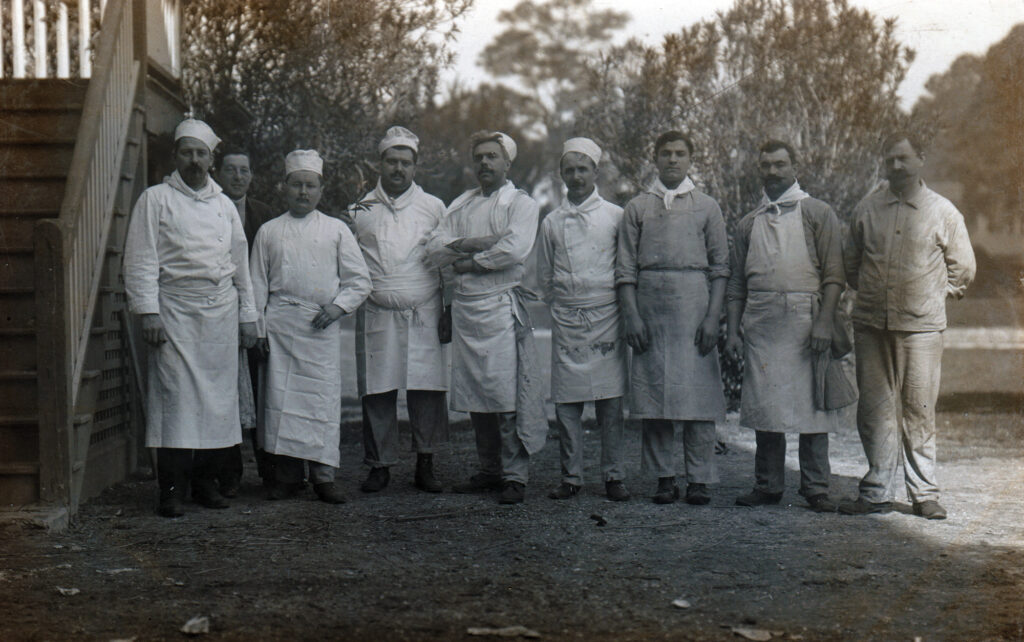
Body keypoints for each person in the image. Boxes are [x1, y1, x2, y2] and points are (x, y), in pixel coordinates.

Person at [123, 118, 258, 518]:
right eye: (187, 153)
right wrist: (149, 312)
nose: (194, 161)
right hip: (175, 311)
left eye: (201, 154)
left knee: (217, 404)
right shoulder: (155, 200)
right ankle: (170, 490)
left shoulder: (223, 206)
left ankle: (206, 485)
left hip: (219, 312)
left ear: (211, 159)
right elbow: (141, 260)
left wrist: (248, 316)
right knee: (176, 402)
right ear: (176, 156)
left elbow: (240, 265)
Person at [839, 132, 975, 520]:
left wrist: (937, 295)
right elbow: (851, 263)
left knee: (918, 408)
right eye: (890, 159)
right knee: (875, 409)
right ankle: (877, 490)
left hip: (921, 329)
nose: (896, 166)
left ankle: (924, 493)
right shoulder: (867, 208)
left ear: (921, 159)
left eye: (904, 158)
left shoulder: (943, 211)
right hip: (871, 324)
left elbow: (963, 267)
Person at [424, 130, 546, 505]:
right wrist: (474, 243)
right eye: (479, 157)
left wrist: (466, 262)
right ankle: (489, 470)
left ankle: (514, 475)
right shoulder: (459, 205)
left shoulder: (521, 204)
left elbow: (513, 249)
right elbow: (432, 247)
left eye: (492, 157)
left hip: (500, 308)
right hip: (466, 310)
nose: (485, 164)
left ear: (507, 163)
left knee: (505, 395)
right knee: (478, 396)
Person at [725, 140, 845, 513]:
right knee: (767, 406)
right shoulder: (749, 222)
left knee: (814, 406)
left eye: (780, 164)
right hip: (762, 323)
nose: (773, 172)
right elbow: (735, 285)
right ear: (759, 170)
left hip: (808, 321)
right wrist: (732, 331)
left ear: (795, 166)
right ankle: (768, 485)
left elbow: (834, 275)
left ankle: (816, 487)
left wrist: (824, 321)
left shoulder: (817, 213)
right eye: (766, 166)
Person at [250, 150, 372, 504]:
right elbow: (257, 285)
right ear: (284, 187)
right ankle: (287, 477)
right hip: (280, 326)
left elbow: (359, 281)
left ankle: (322, 477)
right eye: (297, 185)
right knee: (281, 402)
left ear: (320, 189)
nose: (303, 192)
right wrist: (259, 329)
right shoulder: (269, 231)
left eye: (310, 186)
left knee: (320, 402)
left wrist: (337, 308)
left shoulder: (335, 230)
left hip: (320, 326)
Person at [616, 130, 729, 505]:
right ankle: (664, 478)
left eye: (680, 153)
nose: (673, 160)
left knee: (698, 398)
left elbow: (721, 268)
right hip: (649, 305)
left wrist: (713, 317)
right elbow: (625, 269)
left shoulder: (707, 207)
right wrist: (631, 316)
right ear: (655, 158)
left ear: (690, 159)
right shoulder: (638, 207)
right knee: (654, 397)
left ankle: (699, 479)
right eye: (665, 153)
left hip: (694, 304)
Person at [351, 126, 449, 494]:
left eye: (405, 163)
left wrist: (448, 309)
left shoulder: (434, 207)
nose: (398, 169)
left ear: (415, 167)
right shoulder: (361, 209)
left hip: (425, 307)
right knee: (378, 388)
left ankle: (427, 462)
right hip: (377, 310)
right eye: (391, 161)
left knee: (427, 387)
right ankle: (380, 465)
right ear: (380, 163)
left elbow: (446, 262)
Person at [537, 137, 630, 502]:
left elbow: (624, 269)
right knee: (567, 404)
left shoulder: (616, 216)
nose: (576, 177)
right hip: (568, 316)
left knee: (609, 403)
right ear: (561, 174)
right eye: (569, 170)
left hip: (608, 314)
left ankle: (614, 476)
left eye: (583, 169)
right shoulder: (552, 222)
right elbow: (545, 275)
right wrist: (562, 305)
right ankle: (571, 477)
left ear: (596, 171)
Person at [212, 144, 277, 496]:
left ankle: (270, 471)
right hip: (218, 312)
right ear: (219, 174)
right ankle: (229, 474)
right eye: (231, 170)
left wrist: (258, 317)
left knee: (261, 389)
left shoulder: (264, 215)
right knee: (227, 394)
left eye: (244, 170)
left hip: (256, 315)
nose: (238, 176)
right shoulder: (210, 210)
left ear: (252, 176)